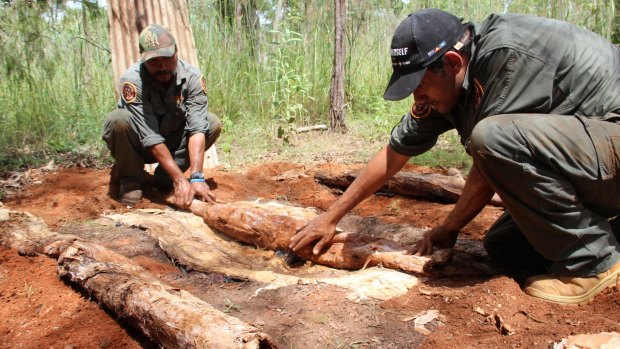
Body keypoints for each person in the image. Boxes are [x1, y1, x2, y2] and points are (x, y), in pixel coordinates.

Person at [290, 9, 620, 305]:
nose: (418, 96)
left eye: (419, 84)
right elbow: (395, 152)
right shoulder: (448, 88)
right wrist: (331, 216)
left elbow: (491, 158)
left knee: (491, 137)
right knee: (506, 246)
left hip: (612, 137)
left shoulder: (506, 57)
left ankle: (592, 263)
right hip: (595, 160)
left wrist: (450, 226)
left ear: (452, 63)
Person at [102, 24, 221, 208]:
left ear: (176, 52)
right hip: (140, 146)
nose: (162, 66)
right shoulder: (133, 81)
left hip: (173, 144)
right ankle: (131, 179)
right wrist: (181, 180)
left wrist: (196, 176)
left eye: (167, 58)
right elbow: (149, 136)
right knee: (118, 120)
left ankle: (164, 179)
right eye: (154, 62)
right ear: (143, 59)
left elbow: (197, 128)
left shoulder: (192, 78)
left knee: (211, 122)